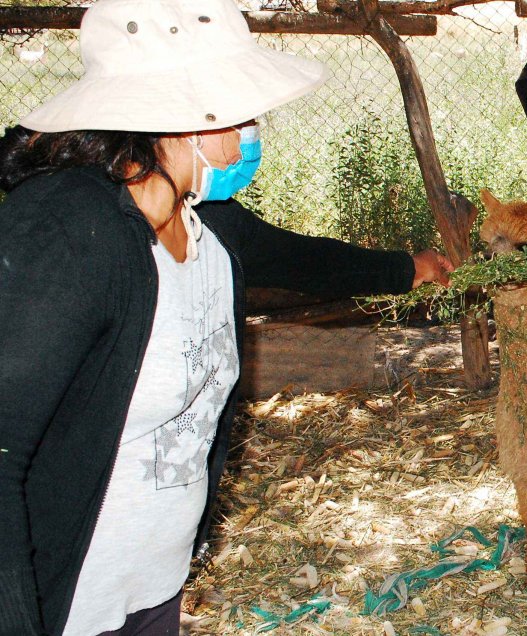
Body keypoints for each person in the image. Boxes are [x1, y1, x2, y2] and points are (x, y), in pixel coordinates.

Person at [0, 1, 453, 634]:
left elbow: (303, 260)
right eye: (242, 114)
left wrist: (408, 269)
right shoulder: (69, 230)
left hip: (154, 583)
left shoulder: (204, 222)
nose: (251, 133)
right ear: (189, 118)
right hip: (68, 600)